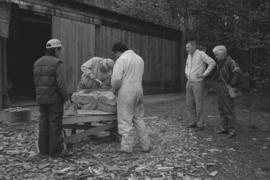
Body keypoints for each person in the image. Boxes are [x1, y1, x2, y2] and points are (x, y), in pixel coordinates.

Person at [111, 42, 151, 153]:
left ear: (118, 52)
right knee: (139, 118)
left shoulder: (121, 60)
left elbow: (116, 79)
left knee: (125, 119)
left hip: (126, 91)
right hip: (139, 89)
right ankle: (146, 145)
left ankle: (127, 148)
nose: (116, 56)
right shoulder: (139, 59)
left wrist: (114, 89)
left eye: (115, 54)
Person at [33, 39, 68, 158]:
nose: (60, 52)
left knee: (43, 123)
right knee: (55, 124)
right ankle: (54, 153)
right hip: (54, 100)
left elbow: (37, 82)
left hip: (41, 99)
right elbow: (61, 84)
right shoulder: (57, 63)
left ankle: (43, 151)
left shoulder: (37, 62)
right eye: (59, 50)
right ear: (56, 49)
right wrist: (66, 97)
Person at [185, 40, 216, 130]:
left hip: (198, 82)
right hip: (189, 81)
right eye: (186, 47)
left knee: (198, 104)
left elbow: (212, 63)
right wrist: (186, 73)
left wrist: (204, 74)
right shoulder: (189, 55)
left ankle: (200, 124)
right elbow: (187, 66)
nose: (187, 49)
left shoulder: (201, 54)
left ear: (194, 47)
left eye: (188, 47)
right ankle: (192, 122)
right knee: (189, 104)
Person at [212, 45, 242, 138]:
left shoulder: (230, 61)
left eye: (216, 55)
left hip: (227, 87)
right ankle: (224, 128)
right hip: (220, 87)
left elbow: (238, 72)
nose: (215, 57)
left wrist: (232, 84)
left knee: (228, 109)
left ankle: (232, 130)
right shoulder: (220, 62)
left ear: (222, 53)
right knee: (221, 108)